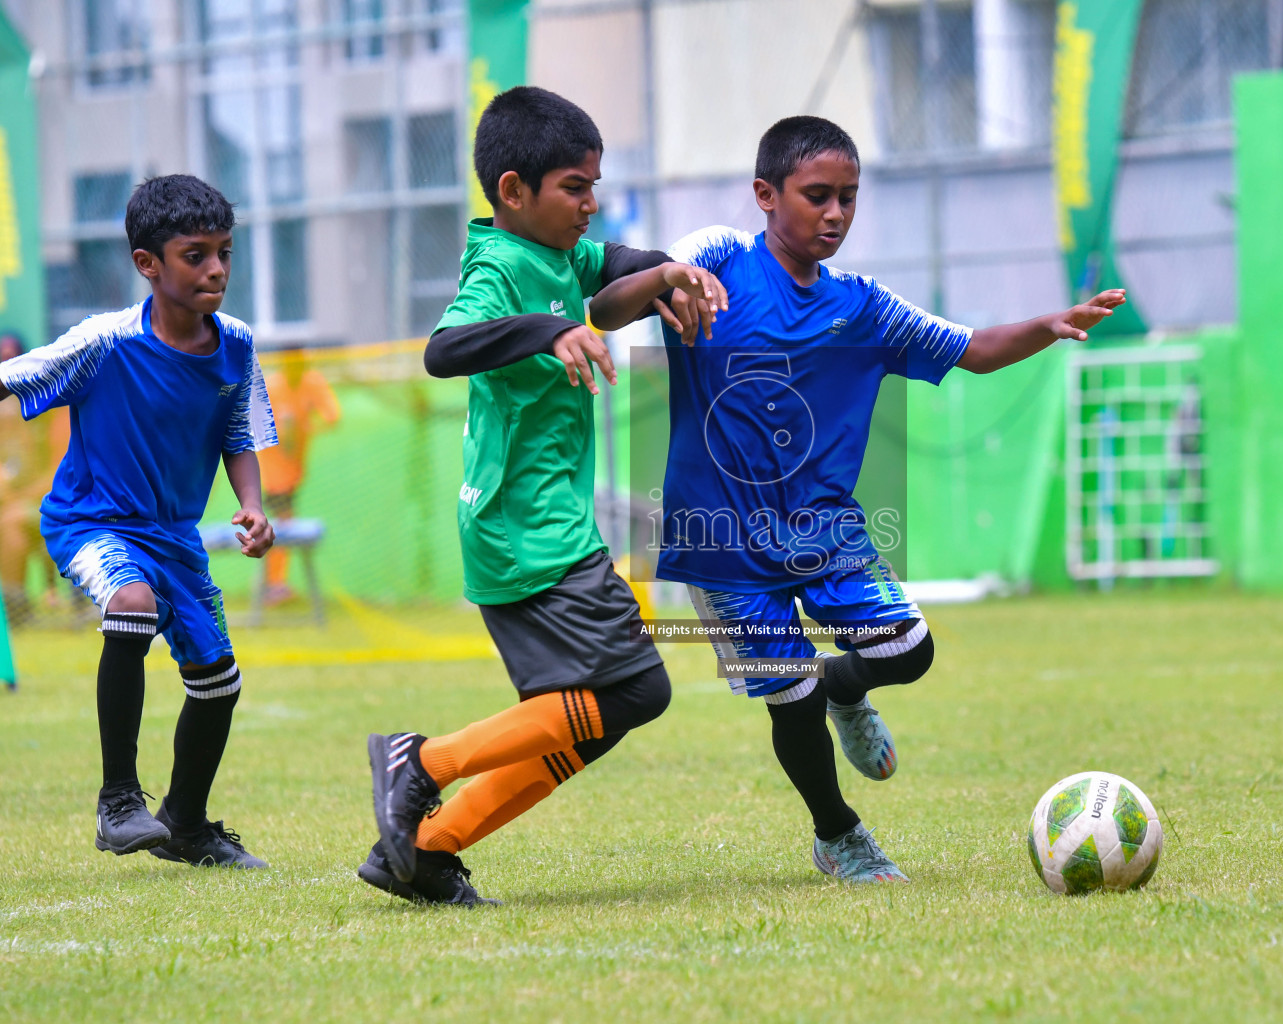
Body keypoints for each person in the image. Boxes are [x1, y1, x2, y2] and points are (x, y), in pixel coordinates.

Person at [589, 115, 1125, 883]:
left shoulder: (865, 304)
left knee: (908, 650)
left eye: (848, 197)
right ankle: (838, 834)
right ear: (766, 195)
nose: (835, 213)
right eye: (817, 196)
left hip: (824, 532)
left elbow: (971, 350)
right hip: (722, 542)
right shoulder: (714, 257)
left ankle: (847, 695)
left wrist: (1048, 324)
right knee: (789, 695)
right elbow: (607, 309)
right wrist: (665, 279)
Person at [358, 86, 726, 906]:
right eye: (574, 187)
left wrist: (670, 271)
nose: (590, 205)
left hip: (526, 527)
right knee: (637, 691)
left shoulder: (559, 255)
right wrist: (548, 329)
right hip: (530, 529)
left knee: (589, 720)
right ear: (513, 191)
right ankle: (419, 763)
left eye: (595, 185)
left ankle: (424, 852)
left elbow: (616, 268)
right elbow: (444, 349)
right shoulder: (499, 265)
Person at [0, 174, 275, 867]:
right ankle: (118, 804)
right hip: (89, 520)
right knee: (132, 601)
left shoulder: (236, 345)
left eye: (225, 252)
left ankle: (185, 823)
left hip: (174, 537)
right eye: (195, 254)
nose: (215, 268)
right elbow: (15, 376)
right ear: (147, 264)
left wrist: (252, 505)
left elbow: (237, 434)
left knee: (218, 681)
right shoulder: (106, 342)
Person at [256, 353, 340, 602]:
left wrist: (306, 428)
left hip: (293, 469)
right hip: (273, 468)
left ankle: (274, 584)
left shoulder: (311, 383)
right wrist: (283, 431)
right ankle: (274, 584)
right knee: (279, 521)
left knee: (282, 523)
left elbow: (332, 416)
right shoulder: (271, 387)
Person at [0, 332, 71, 623]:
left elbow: (61, 470)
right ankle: (17, 611)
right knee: (11, 528)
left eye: (11, 359)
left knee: (12, 525)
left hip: (50, 504)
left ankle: (20, 610)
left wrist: (19, 498)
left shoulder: (48, 408)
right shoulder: (6, 420)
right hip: (11, 506)